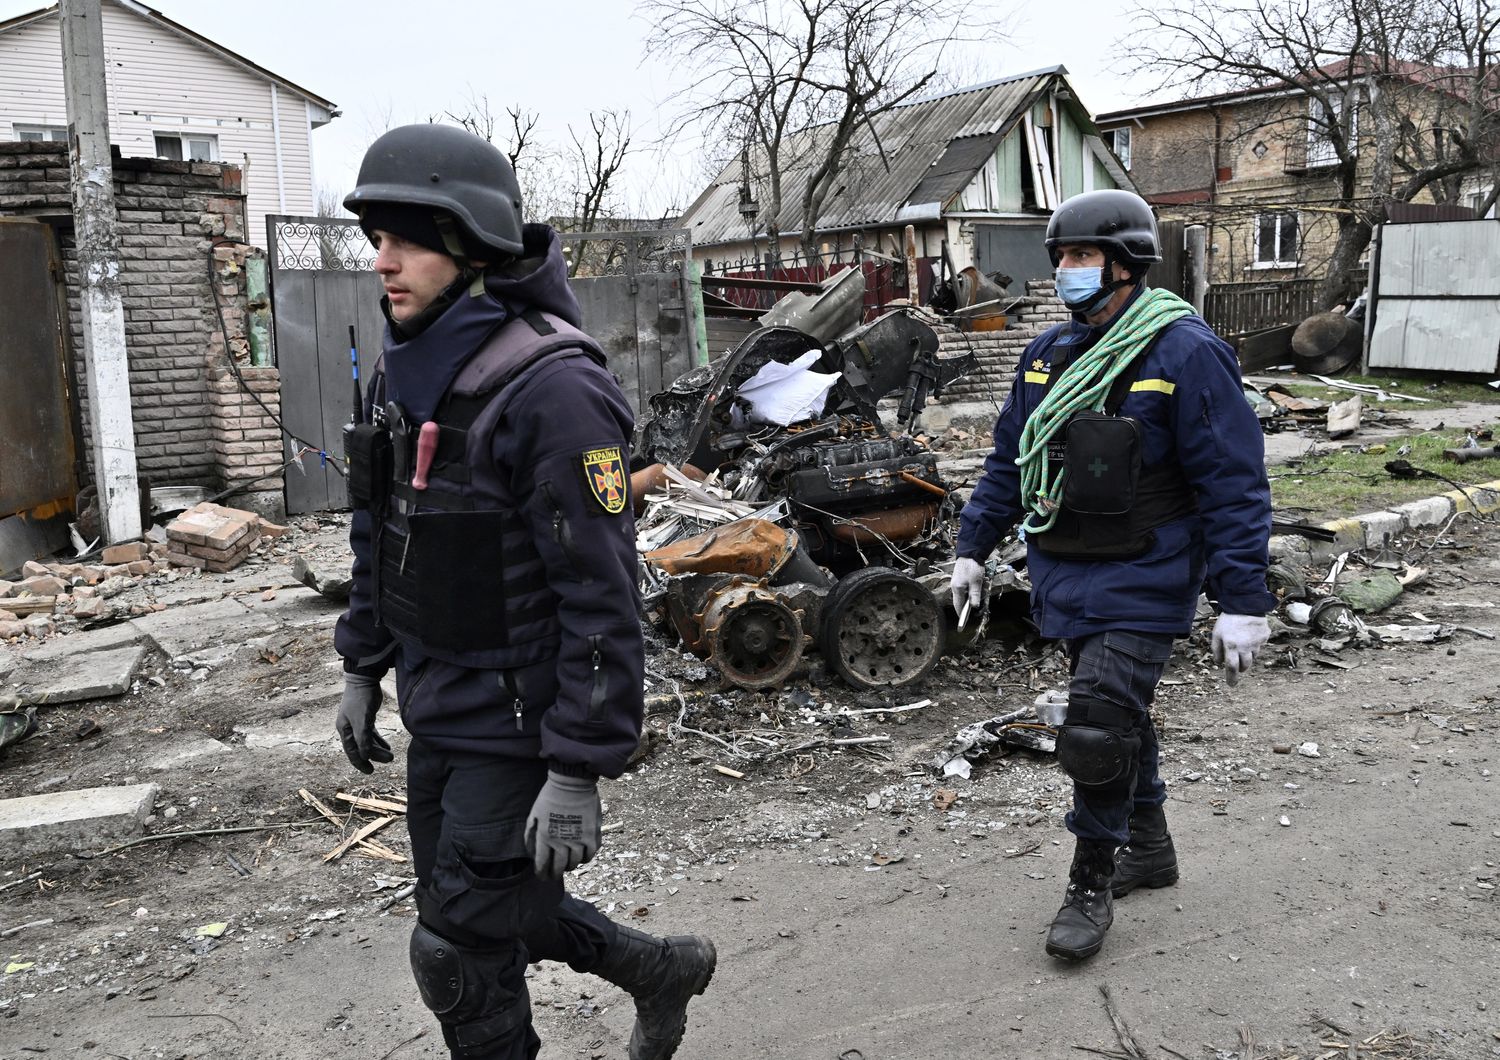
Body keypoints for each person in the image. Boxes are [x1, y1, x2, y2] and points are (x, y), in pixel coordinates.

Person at [332, 124, 716, 1059]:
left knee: (457, 948)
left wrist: (578, 764)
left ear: (471, 247)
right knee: (492, 905)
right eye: (376, 237)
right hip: (440, 698)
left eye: (408, 238)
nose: (382, 261)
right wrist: (361, 664)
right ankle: (659, 970)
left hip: (519, 719)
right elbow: (380, 532)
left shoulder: (552, 387)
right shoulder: (399, 369)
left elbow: (601, 592)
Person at [950, 189, 1274, 961]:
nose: (1067, 270)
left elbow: (1233, 482)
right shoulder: (1047, 356)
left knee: (1094, 724)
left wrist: (1243, 600)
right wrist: (973, 544)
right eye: (1061, 257)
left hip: (1149, 567)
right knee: (1118, 718)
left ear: (1127, 265)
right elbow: (1009, 461)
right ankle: (1150, 846)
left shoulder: (1185, 353)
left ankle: (1089, 881)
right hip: (1064, 568)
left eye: (1084, 256)